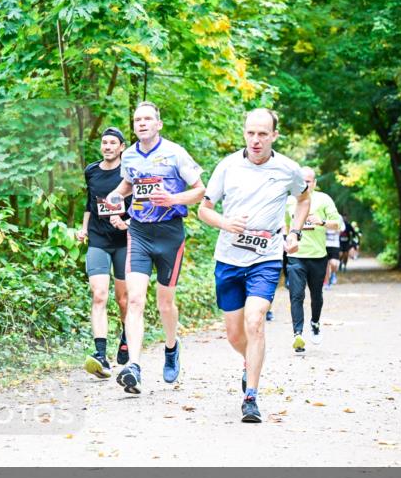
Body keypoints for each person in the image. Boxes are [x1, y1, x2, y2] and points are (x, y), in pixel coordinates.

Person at [197, 108, 310, 423]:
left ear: (274, 135)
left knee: (255, 322)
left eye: (263, 133)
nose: (256, 140)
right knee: (235, 334)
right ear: (244, 133)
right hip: (229, 259)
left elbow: (303, 199)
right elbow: (204, 210)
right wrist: (225, 222)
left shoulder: (288, 169)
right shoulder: (228, 166)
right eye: (251, 133)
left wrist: (295, 232)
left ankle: (251, 398)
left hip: (267, 256)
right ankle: (250, 361)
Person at [103, 102, 206, 394]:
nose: (142, 123)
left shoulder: (175, 153)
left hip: (170, 234)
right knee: (135, 300)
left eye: (148, 119)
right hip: (139, 232)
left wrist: (172, 199)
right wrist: (115, 195)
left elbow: (200, 190)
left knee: (165, 304)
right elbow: (127, 185)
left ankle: (171, 348)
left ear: (158, 124)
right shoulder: (130, 155)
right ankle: (133, 366)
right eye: (137, 119)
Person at [77, 127, 132, 378]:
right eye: (104, 143)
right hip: (98, 240)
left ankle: (126, 337)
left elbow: (141, 204)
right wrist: (84, 228)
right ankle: (101, 355)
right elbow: (90, 202)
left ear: (121, 147)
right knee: (99, 295)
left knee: (123, 300)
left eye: (113, 143)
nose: (108, 146)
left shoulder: (128, 172)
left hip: (124, 241)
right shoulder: (91, 171)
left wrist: (128, 223)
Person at [285, 167, 341, 352]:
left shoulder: (324, 199)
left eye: (309, 181)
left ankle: (315, 323)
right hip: (295, 256)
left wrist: (322, 222)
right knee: (296, 295)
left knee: (316, 295)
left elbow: (338, 225)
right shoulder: (289, 201)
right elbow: (284, 226)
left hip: (318, 256)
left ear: (315, 183)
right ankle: (297, 335)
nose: (306, 184)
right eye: (303, 181)